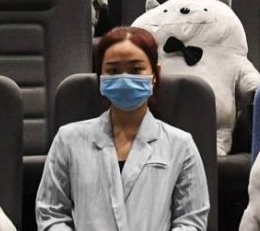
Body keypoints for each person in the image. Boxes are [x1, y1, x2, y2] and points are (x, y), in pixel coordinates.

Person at [36, 27, 209, 230]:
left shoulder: (181, 144)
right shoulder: (68, 139)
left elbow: (191, 221)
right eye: (113, 71)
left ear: (155, 74)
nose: (124, 79)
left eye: (136, 70)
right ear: (101, 77)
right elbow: (50, 213)